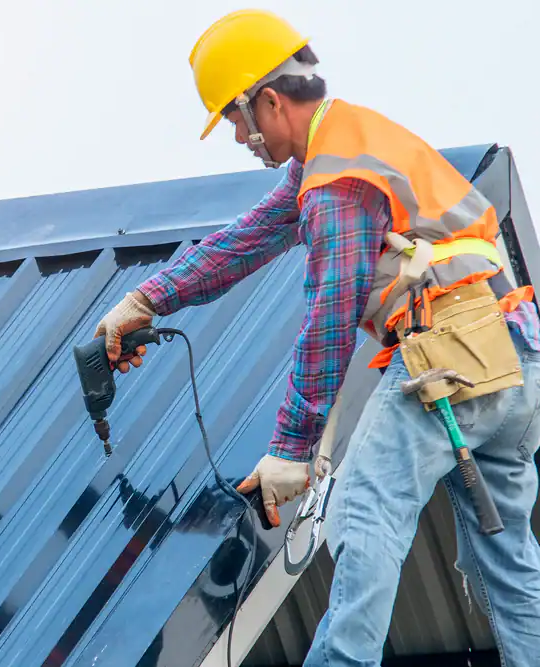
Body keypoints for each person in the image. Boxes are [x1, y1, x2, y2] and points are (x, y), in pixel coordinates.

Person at [93, 9, 540, 666]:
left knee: (363, 512)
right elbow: (247, 238)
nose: (241, 138)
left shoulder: (336, 182)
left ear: (269, 100)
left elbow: (331, 313)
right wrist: (144, 300)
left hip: (452, 352)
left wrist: (289, 449)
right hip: (510, 359)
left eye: (238, 120)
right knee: (508, 564)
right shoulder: (345, 146)